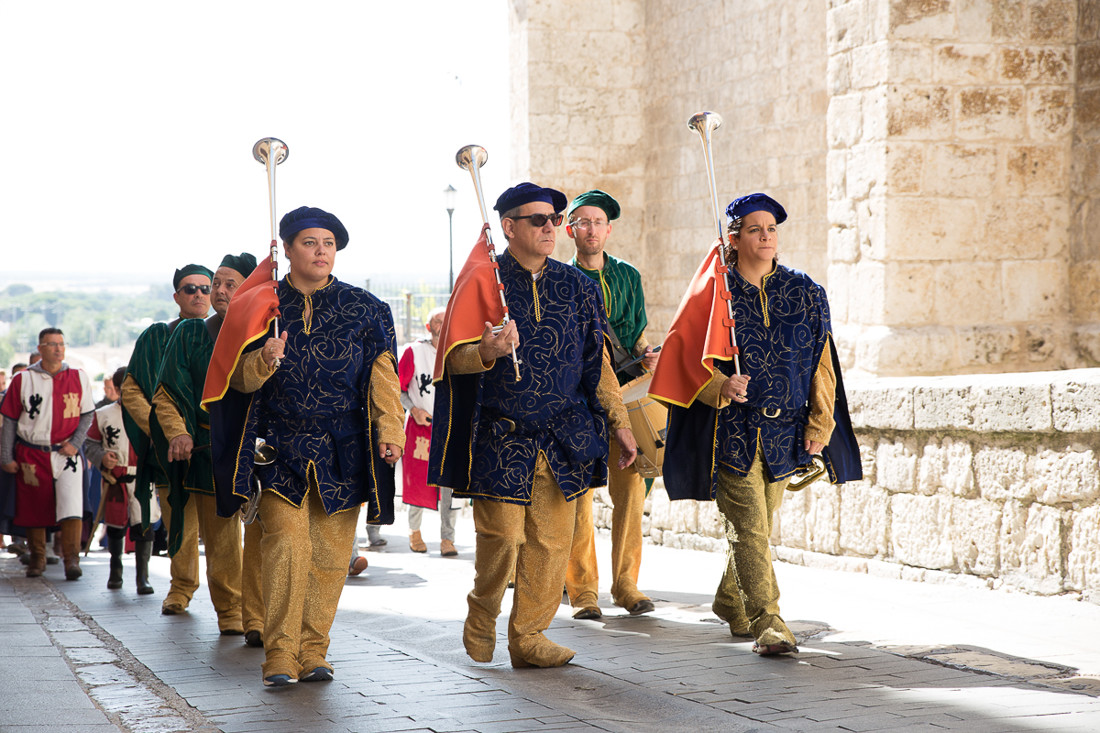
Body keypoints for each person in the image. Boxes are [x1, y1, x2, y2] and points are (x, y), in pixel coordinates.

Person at [430, 182, 637, 669]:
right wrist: (486, 352)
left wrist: (619, 422)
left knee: (550, 543)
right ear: (508, 227)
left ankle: (529, 636)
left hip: (565, 434)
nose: (551, 227)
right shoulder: (484, 281)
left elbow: (596, 363)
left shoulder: (580, 287)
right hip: (502, 435)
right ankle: (482, 612)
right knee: (503, 537)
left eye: (554, 219)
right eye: (538, 220)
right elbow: (450, 360)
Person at [650, 193, 860, 656]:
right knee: (747, 526)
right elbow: (683, 359)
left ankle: (730, 601)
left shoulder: (807, 291)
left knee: (760, 528)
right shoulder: (715, 293)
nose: (765, 236)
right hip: (734, 433)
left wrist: (820, 424)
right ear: (734, 237)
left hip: (786, 431)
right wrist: (719, 386)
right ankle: (769, 620)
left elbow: (821, 364)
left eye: (771, 229)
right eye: (754, 229)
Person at [217, 206, 404, 686]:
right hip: (278, 447)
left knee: (328, 557)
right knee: (286, 547)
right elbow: (231, 382)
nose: (321, 252)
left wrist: (391, 431)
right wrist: (262, 360)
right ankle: (279, 655)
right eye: (310, 243)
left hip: (344, 449)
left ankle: (313, 651)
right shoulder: (259, 304)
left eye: (328, 244)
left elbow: (383, 375)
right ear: (287, 249)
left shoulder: (367, 308)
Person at [563, 189, 660, 620]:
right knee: (579, 498)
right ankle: (583, 592)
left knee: (631, 493)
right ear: (570, 230)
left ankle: (627, 585)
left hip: (626, 393)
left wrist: (649, 355)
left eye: (598, 222)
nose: (590, 229)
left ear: (609, 229)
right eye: (582, 222)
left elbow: (637, 333)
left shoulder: (629, 276)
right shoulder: (558, 279)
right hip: (578, 399)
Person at [151, 253, 256, 634]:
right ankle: (226, 611)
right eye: (218, 284)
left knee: (248, 539)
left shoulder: (267, 331)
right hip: (203, 451)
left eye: (231, 284)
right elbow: (165, 393)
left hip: (254, 451)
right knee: (207, 532)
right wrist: (178, 430)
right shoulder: (190, 333)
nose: (220, 291)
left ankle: (251, 614)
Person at [121, 264, 213, 614]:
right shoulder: (157, 336)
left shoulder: (223, 334)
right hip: (169, 455)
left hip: (213, 449)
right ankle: (181, 588)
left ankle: (235, 607)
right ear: (177, 296)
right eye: (190, 289)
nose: (199, 295)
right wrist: (162, 432)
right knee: (181, 527)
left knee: (225, 538)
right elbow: (131, 389)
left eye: (206, 288)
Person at [0, 328, 95, 579]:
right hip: (32, 453)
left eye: (61, 344)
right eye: (52, 344)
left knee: (71, 506)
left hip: (66, 454)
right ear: (40, 348)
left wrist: (76, 443)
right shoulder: (24, 379)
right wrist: (6, 456)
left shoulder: (79, 377)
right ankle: (38, 558)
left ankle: (71, 560)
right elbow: (9, 419)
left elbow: (87, 413)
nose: (58, 349)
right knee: (34, 507)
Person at [84, 366, 159, 593]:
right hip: (115, 478)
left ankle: (142, 577)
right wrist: (102, 457)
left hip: (142, 477)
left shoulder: (149, 413)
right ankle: (115, 572)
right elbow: (90, 444)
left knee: (144, 526)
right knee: (116, 526)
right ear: (117, 389)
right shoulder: (103, 414)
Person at [399, 306, 458, 556]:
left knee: (450, 486)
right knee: (417, 481)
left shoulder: (456, 354)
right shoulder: (414, 352)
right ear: (428, 326)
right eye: (437, 320)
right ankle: (414, 532)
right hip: (420, 428)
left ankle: (448, 538)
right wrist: (413, 410)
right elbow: (398, 388)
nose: (442, 324)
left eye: (446, 321)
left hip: (448, 428)